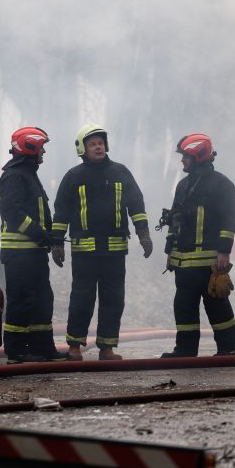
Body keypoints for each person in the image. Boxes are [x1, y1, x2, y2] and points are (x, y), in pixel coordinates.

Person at [50, 123, 152, 362]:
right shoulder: (73, 177)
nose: (98, 147)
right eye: (93, 144)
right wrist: (57, 242)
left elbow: (136, 205)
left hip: (115, 252)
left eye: (101, 143)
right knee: (81, 299)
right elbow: (61, 211)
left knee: (113, 300)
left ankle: (107, 348)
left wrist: (143, 233)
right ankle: (74, 346)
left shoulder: (121, 172)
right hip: (84, 252)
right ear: (82, 149)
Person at [161, 133, 235, 357]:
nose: (182, 160)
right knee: (184, 306)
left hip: (209, 262)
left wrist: (224, 251)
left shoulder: (222, 185)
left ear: (198, 155)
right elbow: (175, 220)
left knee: (217, 305)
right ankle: (185, 350)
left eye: (186, 156)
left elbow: (229, 219)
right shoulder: (183, 185)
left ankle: (227, 350)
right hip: (184, 262)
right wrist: (170, 251)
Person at [0, 127, 67, 363]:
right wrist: (42, 235)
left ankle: (42, 349)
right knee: (21, 301)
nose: (44, 152)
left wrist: (49, 237)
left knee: (42, 301)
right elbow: (13, 214)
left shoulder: (28, 173)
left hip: (33, 254)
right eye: (42, 147)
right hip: (20, 254)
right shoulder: (14, 176)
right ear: (30, 147)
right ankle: (16, 352)